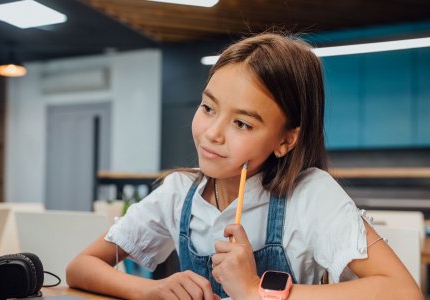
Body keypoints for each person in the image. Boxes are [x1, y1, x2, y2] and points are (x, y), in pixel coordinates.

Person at [66, 33, 422, 300]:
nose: (213, 133)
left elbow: (403, 292)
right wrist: (150, 290)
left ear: (286, 139)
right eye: (208, 108)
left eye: (243, 124)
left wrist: (256, 290)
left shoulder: (311, 195)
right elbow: (80, 267)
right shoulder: (178, 193)